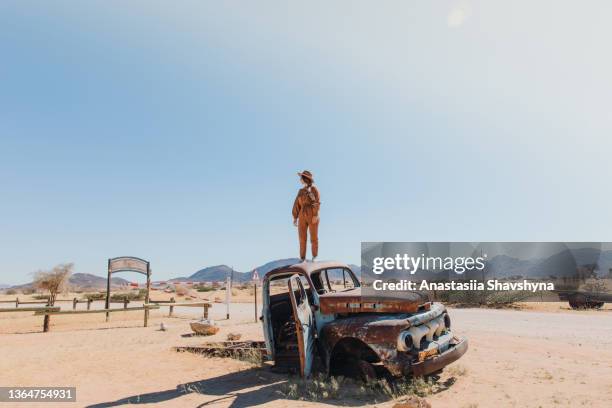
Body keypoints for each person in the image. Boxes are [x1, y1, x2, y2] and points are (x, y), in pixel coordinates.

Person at [292, 170, 320, 262]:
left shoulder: (314, 189)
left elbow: (317, 202)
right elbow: (296, 204)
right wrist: (295, 217)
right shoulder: (300, 191)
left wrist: (315, 214)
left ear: (305, 179)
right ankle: (302, 258)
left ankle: (314, 256)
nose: (300, 179)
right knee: (302, 237)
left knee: (314, 237)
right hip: (302, 215)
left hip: (312, 213)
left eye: (301, 178)